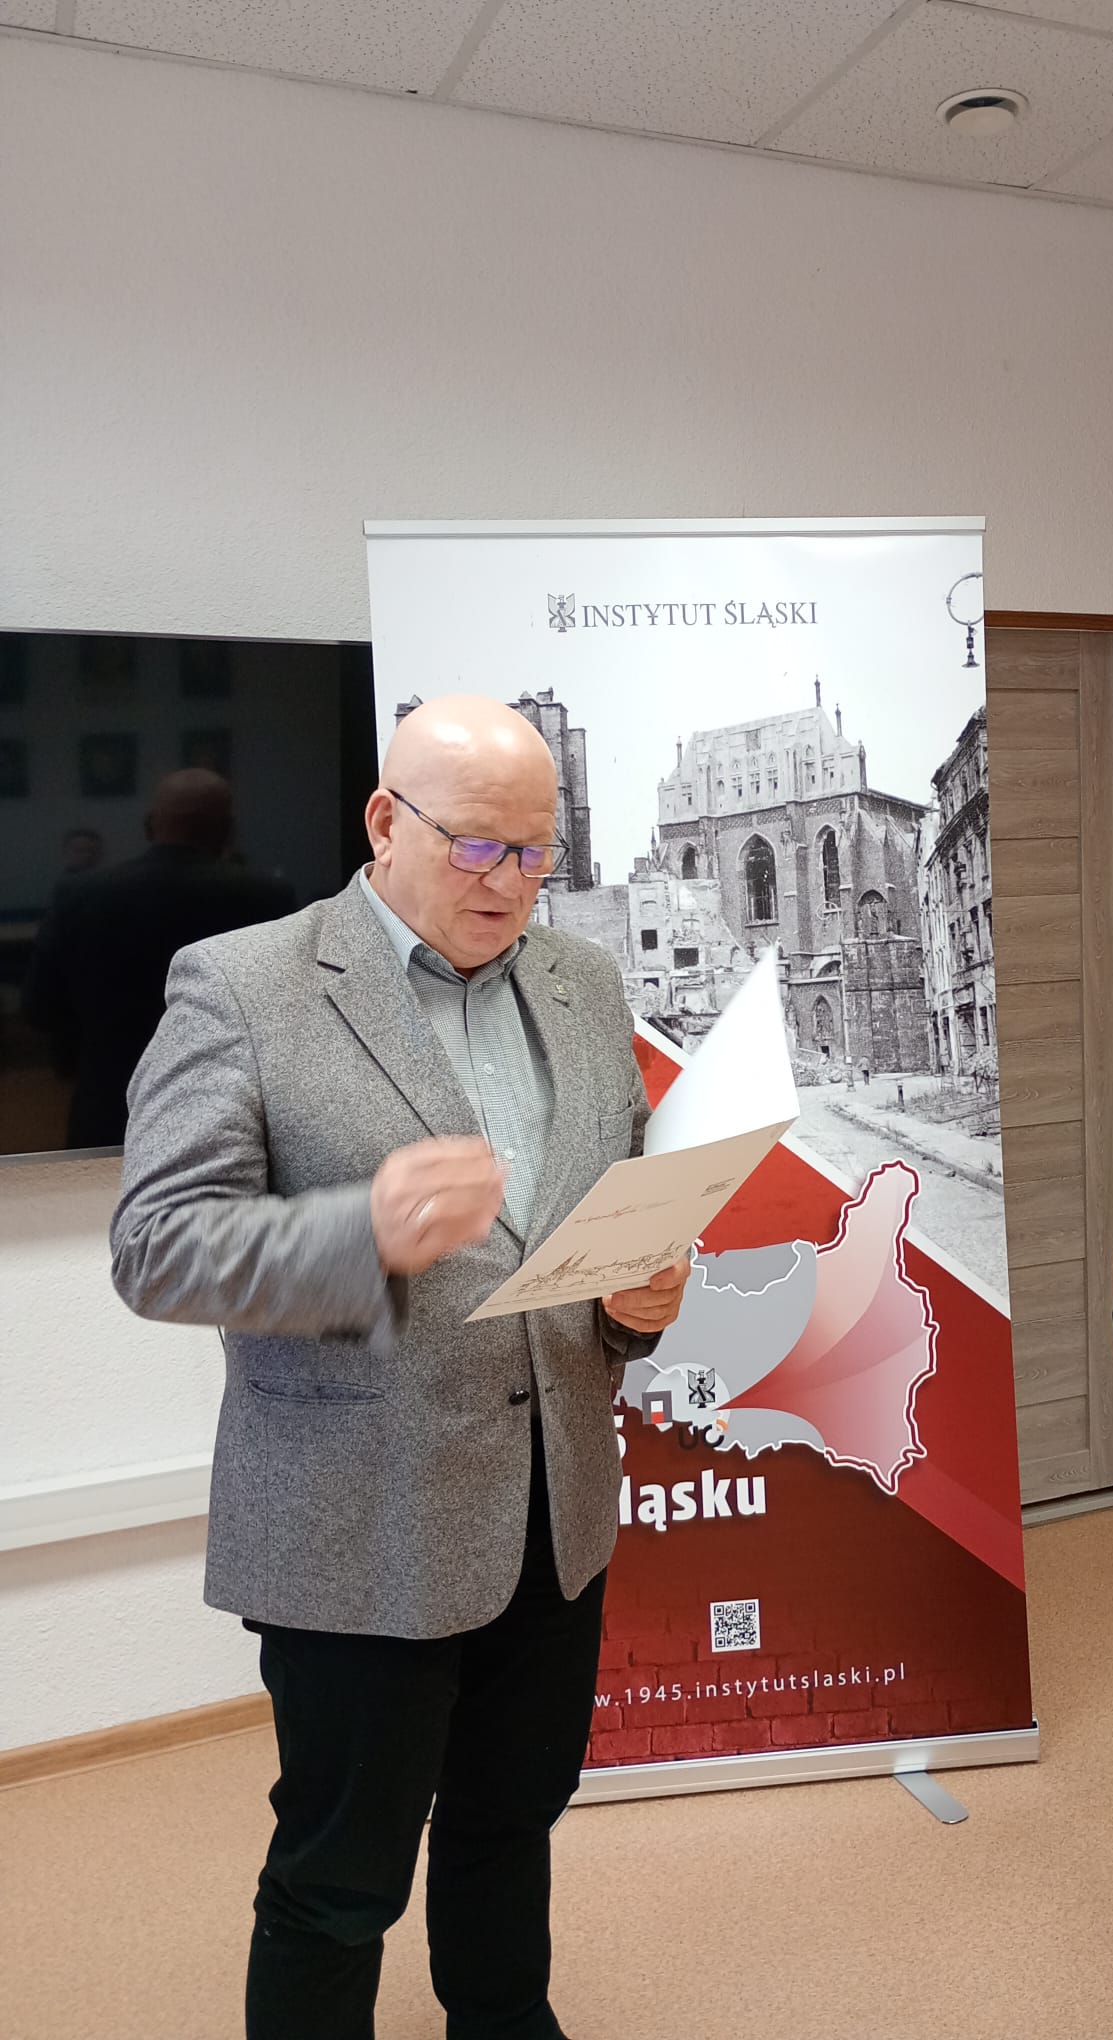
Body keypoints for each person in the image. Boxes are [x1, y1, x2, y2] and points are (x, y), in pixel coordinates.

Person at [110, 697, 690, 2040]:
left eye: (537, 854)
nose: (510, 884)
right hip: (356, 1523)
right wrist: (357, 1233)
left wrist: (640, 1303)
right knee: (341, 1878)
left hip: (552, 1509)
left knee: (511, 1819)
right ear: (385, 820)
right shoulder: (242, 984)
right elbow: (155, 1248)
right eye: (478, 847)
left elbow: (613, 1207)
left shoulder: (583, 981)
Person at [23, 769, 294, 1145]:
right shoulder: (267, 896)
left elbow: (40, 1008)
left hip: (107, 1111)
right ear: (228, 830)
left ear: (149, 825)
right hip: (228, 1116)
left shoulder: (80, 893)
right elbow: (289, 1015)